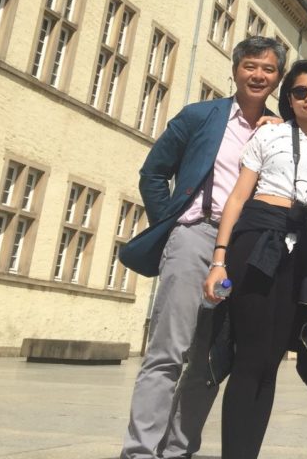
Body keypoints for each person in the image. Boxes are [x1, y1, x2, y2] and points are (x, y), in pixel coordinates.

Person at [119, 36, 286, 459]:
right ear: (235, 70)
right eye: (250, 66)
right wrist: (173, 223)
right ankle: (140, 451)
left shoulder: (281, 132)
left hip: (243, 249)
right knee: (167, 351)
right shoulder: (200, 117)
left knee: (212, 357)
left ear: (278, 78)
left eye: (268, 69)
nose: (258, 75)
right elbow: (153, 173)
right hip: (196, 236)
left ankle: (178, 449)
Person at [202, 60, 307, 459]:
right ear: (288, 98)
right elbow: (237, 197)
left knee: (271, 359)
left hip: (304, 247)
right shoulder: (268, 136)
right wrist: (219, 259)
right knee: (250, 353)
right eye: (300, 91)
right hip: (257, 240)